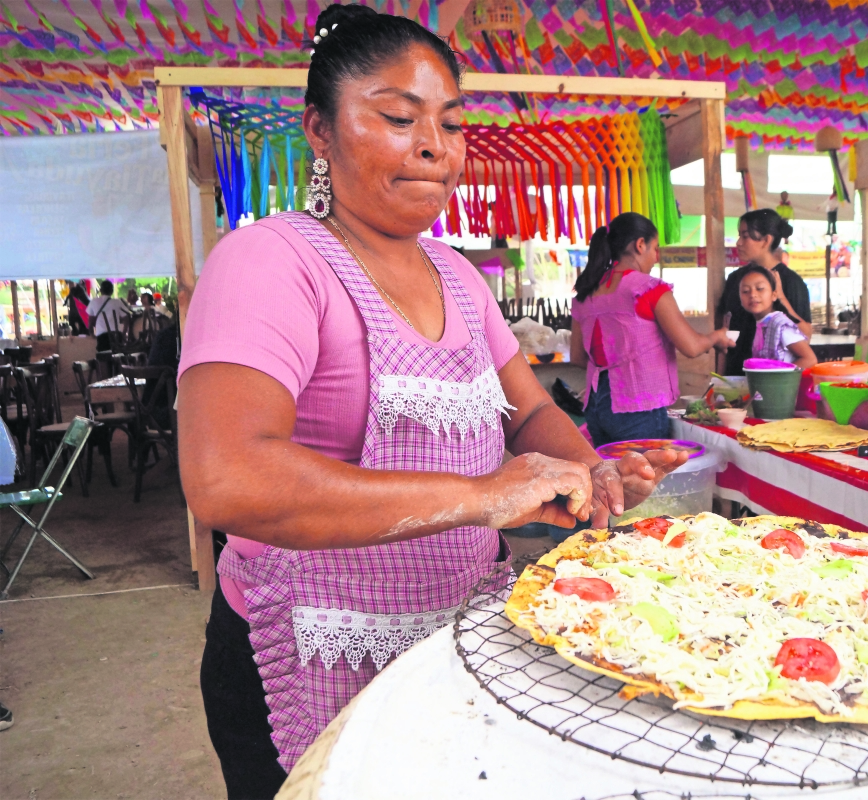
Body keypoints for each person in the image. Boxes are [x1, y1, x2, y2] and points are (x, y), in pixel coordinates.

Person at [176, 7, 686, 798]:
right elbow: (228, 480)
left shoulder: (457, 277)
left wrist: (592, 469)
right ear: (319, 129)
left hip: (456, 637)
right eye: (395, 117)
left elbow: (527, 414)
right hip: (310, 648)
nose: (433, 148)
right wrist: (486, 496)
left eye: (451, 124)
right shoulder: (271, 261)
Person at [570, 212, 734, 446]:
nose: (656, 257)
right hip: (637, 407)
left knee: (612, 479)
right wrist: (717, 336)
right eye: (655, 248)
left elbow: (577, 357)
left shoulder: (585, 293)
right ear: (640, 245)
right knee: (646, 480)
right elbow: (691, 346)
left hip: (597, 407)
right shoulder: (647, 288)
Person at [717, 209, 812, 375]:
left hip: (769, 382)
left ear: (766, 240)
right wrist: (719, 378)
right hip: (734, 376)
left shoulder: (791, 282)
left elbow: (805, 336)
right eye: (746, 291)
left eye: (745, 236)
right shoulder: (735, 279)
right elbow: (724, 330)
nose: (738, 243)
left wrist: (781, 298)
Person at [738, 266, 817, 370]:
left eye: (760, 288)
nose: (752, 294)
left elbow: (810, 359)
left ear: (774, 295)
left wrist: (779, 378)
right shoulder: (760, 325)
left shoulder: (780, 325)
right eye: (745, 291)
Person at [85, 280, 130, 351]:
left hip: (101, 335)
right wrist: (124, 333)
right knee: (117, 357)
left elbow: (90, 320)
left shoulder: (94, 301)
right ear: (111, 291)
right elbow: (126, 317)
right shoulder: (117, 302)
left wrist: (91, 333)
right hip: (116, 335)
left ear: (100, 290)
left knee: (104, 358)